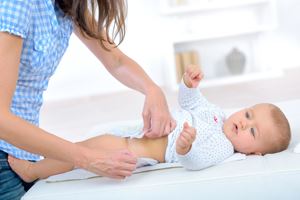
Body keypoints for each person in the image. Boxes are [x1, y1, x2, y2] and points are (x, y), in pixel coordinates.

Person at [0, 0, 176, 198]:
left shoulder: (66, 6)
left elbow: (116, 61)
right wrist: (88, 159)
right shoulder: (18, 4)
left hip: (23, 152)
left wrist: (153, 90)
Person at [8, 65, 291, 183]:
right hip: (135, 136)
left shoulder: (223, 149)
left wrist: (185, 146)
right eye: (248, 114)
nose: (243, 123)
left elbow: (194, 162)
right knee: (84, 146)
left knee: (81, 153)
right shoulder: (216, 114)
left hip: (137, 152)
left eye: (253, 131)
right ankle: (43, 159)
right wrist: (188, 85)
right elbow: (190, 103)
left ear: (255, 153)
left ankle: (33, 171)